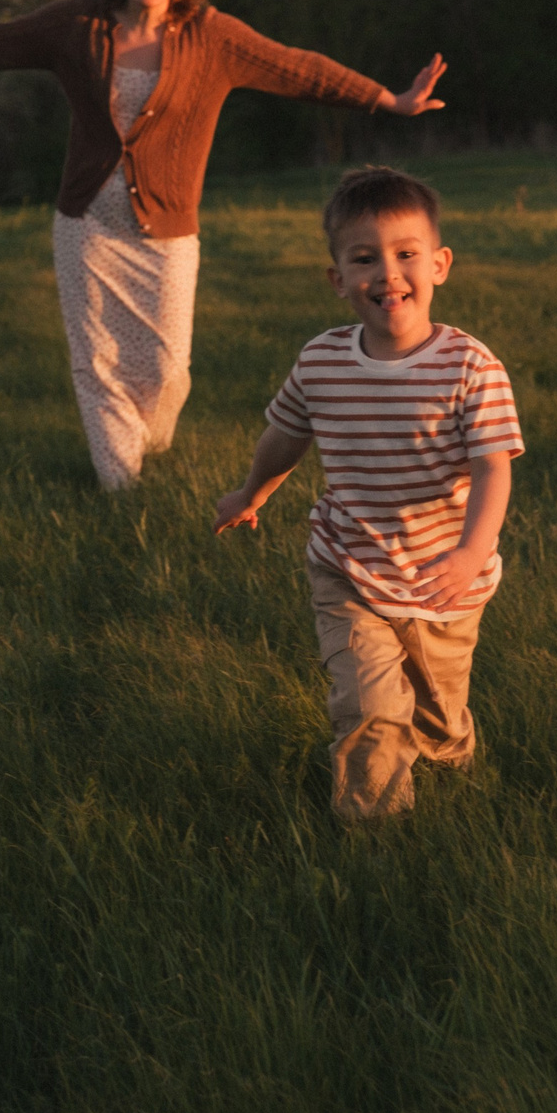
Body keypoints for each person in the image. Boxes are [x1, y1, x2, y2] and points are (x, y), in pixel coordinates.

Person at [0, 0, 446, 490]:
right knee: (97, 363)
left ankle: (145, 446)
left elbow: (297, 68)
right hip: (86, 222)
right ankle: (121, 487)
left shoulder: (212, 37)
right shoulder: (78, 26)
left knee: (166, 370)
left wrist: (387, 100)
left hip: (168, 231)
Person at [212, 166, 523, 821]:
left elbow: (494, 467)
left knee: (437, 719)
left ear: (439, 264)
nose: (388, 273)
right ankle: (375, 834)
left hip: (446, 582)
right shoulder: (321, 361)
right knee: (371, 710)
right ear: (338, 279)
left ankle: (451, 755)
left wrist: (473, 550)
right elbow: (284, 438)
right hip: (348, 566)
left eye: (406, 254)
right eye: (364, 258)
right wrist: (250, 491)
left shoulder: (471, 367)